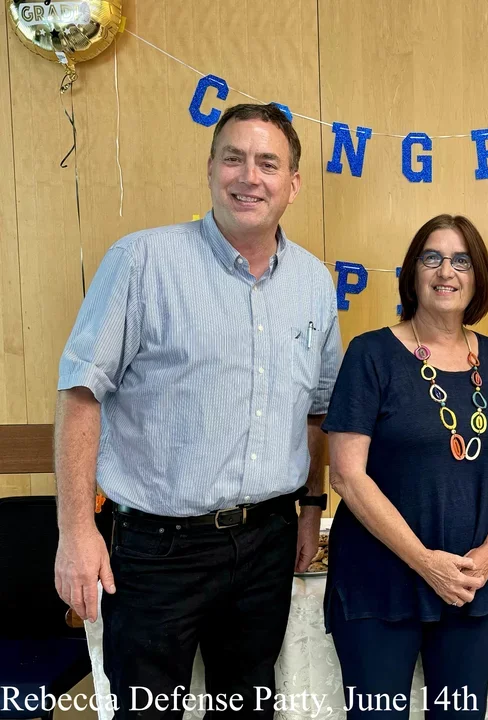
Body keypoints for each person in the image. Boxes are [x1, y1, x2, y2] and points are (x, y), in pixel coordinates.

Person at [54, 103, 342, 718]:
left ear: (293, 185)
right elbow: (81, 394)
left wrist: (312, 506)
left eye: (269, 163)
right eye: (234, 158)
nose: (250, 176)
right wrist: (75, 531)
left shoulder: (316, 284)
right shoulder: (141, 262)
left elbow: (317, 412)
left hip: (266, 541)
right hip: (158, 550)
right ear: (210, 169)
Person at [322, 214, 488, 719]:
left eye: (461, 260)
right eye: (431, 258)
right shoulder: (370, 353)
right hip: (380, 584)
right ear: (412, 273)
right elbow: (346, 474)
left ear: (479, 276)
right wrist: (426, 562)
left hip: (471, 587)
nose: (445, 271)